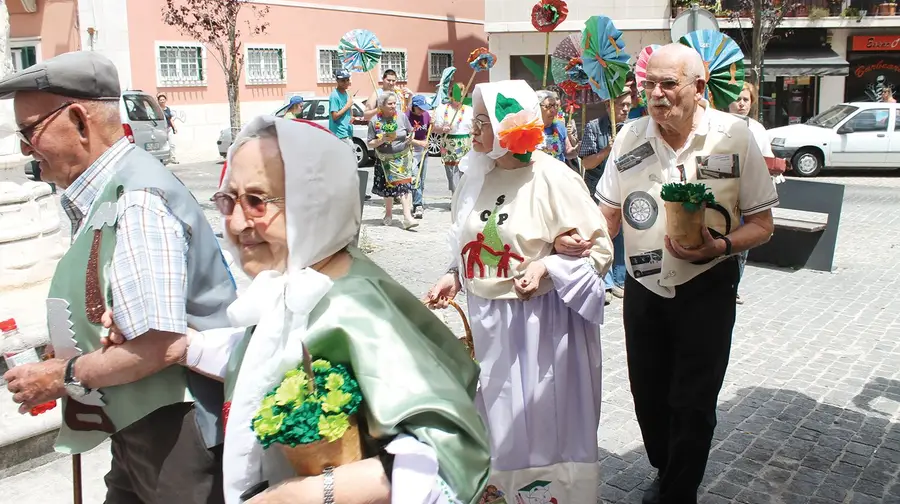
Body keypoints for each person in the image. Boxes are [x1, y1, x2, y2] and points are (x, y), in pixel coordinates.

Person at [105, 116, 492, 504]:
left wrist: (300, 495)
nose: (238, 222)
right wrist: (183, 346)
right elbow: (273, 353)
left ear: (316, 203)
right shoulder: (303, 280)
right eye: (229, 200)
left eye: (257, 201)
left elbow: (444, 462)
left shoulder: (356, 307)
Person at [1, 51, 236, 503]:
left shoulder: (138, 200)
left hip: (175, 430)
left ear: (79, 120)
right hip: (141, 420)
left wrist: (61, 375)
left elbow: (156, 346)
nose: (26, 150)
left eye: (30, 132)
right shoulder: (110, 193)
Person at [559, 43, 778, 504]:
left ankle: (679, 492)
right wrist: (580, 246)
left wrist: (720, 246)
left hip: (708, 286)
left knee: (693, 401)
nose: (655, 94)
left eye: (668, 84)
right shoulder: (630, 136)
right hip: (642, 288)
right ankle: (665, 466)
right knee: (648, 396)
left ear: (698, 88)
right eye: (649, 84)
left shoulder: (735, 137)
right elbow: (609, 214)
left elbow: (762, 224)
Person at [425, 80, 614, 504]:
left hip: (538, 329)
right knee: (494, 420)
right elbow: (473, 244)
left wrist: (547, 266)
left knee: (541, 422)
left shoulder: (553, 177)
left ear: (509, 127)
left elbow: (599, 249)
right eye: (473, 121)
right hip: (487, 328)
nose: (472, 131)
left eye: (482, 122)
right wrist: (454, 275)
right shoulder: (474, 176)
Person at [578, 90, 633, 299]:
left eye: (628, 104)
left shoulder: (632, 129)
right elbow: (587, 162)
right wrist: (608, 150)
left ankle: (621, 279)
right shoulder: (594, 128)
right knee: (603, 233)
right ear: (609, 105)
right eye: (621, 105)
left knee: (623, 235)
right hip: (599, 189)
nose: (626, 109)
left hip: (625, 189)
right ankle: (605, 281)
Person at [728, 82, 779, 305]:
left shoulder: (757, 129)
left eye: (746, 100)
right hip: (725, 195)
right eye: (737, 99)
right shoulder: (717, 125)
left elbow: (768, 161)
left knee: (743, 243)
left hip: (747, 196)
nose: (741, 104)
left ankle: (734, 285)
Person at [368, 91, 421, 230]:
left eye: (395, 103)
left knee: (404, 186)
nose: (393, 106)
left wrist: (410, 137)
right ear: (382, 105)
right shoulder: (375, 121)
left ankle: (407, 217)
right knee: (388, 189)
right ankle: (389, 213)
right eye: (390, 104)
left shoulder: (402, 116)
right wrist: (382, 139)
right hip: (385, 159)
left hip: (402, 157)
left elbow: (410, 131)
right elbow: (370, 143)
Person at [432, 83, 474, 193]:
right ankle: (455, 195)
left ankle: (463, 195)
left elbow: (475, 127)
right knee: (451, 172)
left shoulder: (469, 110)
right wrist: (442, 129)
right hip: (448, 143)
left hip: (465, 143)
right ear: (451, 95)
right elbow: (434, 129)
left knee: (464, 170)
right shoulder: (442, 109)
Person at [536, 89, 579, 163]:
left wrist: (577, 149)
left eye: (555, 106)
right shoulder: (529, 129)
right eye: (548, 106)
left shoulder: (559, 127)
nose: (553, 110)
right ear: (537, 107)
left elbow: (567, 152)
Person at [407, 94, 432, 219]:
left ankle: (419, 201)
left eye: (424, 108)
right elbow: (405, 138)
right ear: (414, 106)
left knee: (421, 179)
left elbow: (428, 129)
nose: (422, 111)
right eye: (420, 108)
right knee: (414, 178)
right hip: (411, 151)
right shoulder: (406, 116)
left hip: (423, 152)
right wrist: (419, 143)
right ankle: (417, 205)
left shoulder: (426, 115)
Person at [328, 69, 355, 151]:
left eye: (347, 80)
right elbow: (334, 116)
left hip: (347, 132)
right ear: (337, 81)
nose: (346, 83)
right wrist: (347, 105)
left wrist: (352, 116)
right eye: (343, 80)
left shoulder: (346, 93)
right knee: (352, 158)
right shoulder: (334, 96)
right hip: (340, 134)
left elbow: (349, 112)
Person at [158, 93, 178, 163]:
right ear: (158, 101)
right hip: (161, 129)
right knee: (162, 144)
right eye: (161, 100)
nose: (162, 101)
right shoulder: (157, 109)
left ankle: (172, 158)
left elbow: (170, 119)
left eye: (163, 99)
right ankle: (162, 159)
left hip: (168, 128)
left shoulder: (168, 109)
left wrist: (174, 128)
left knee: (172, 144)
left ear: (166, 100)